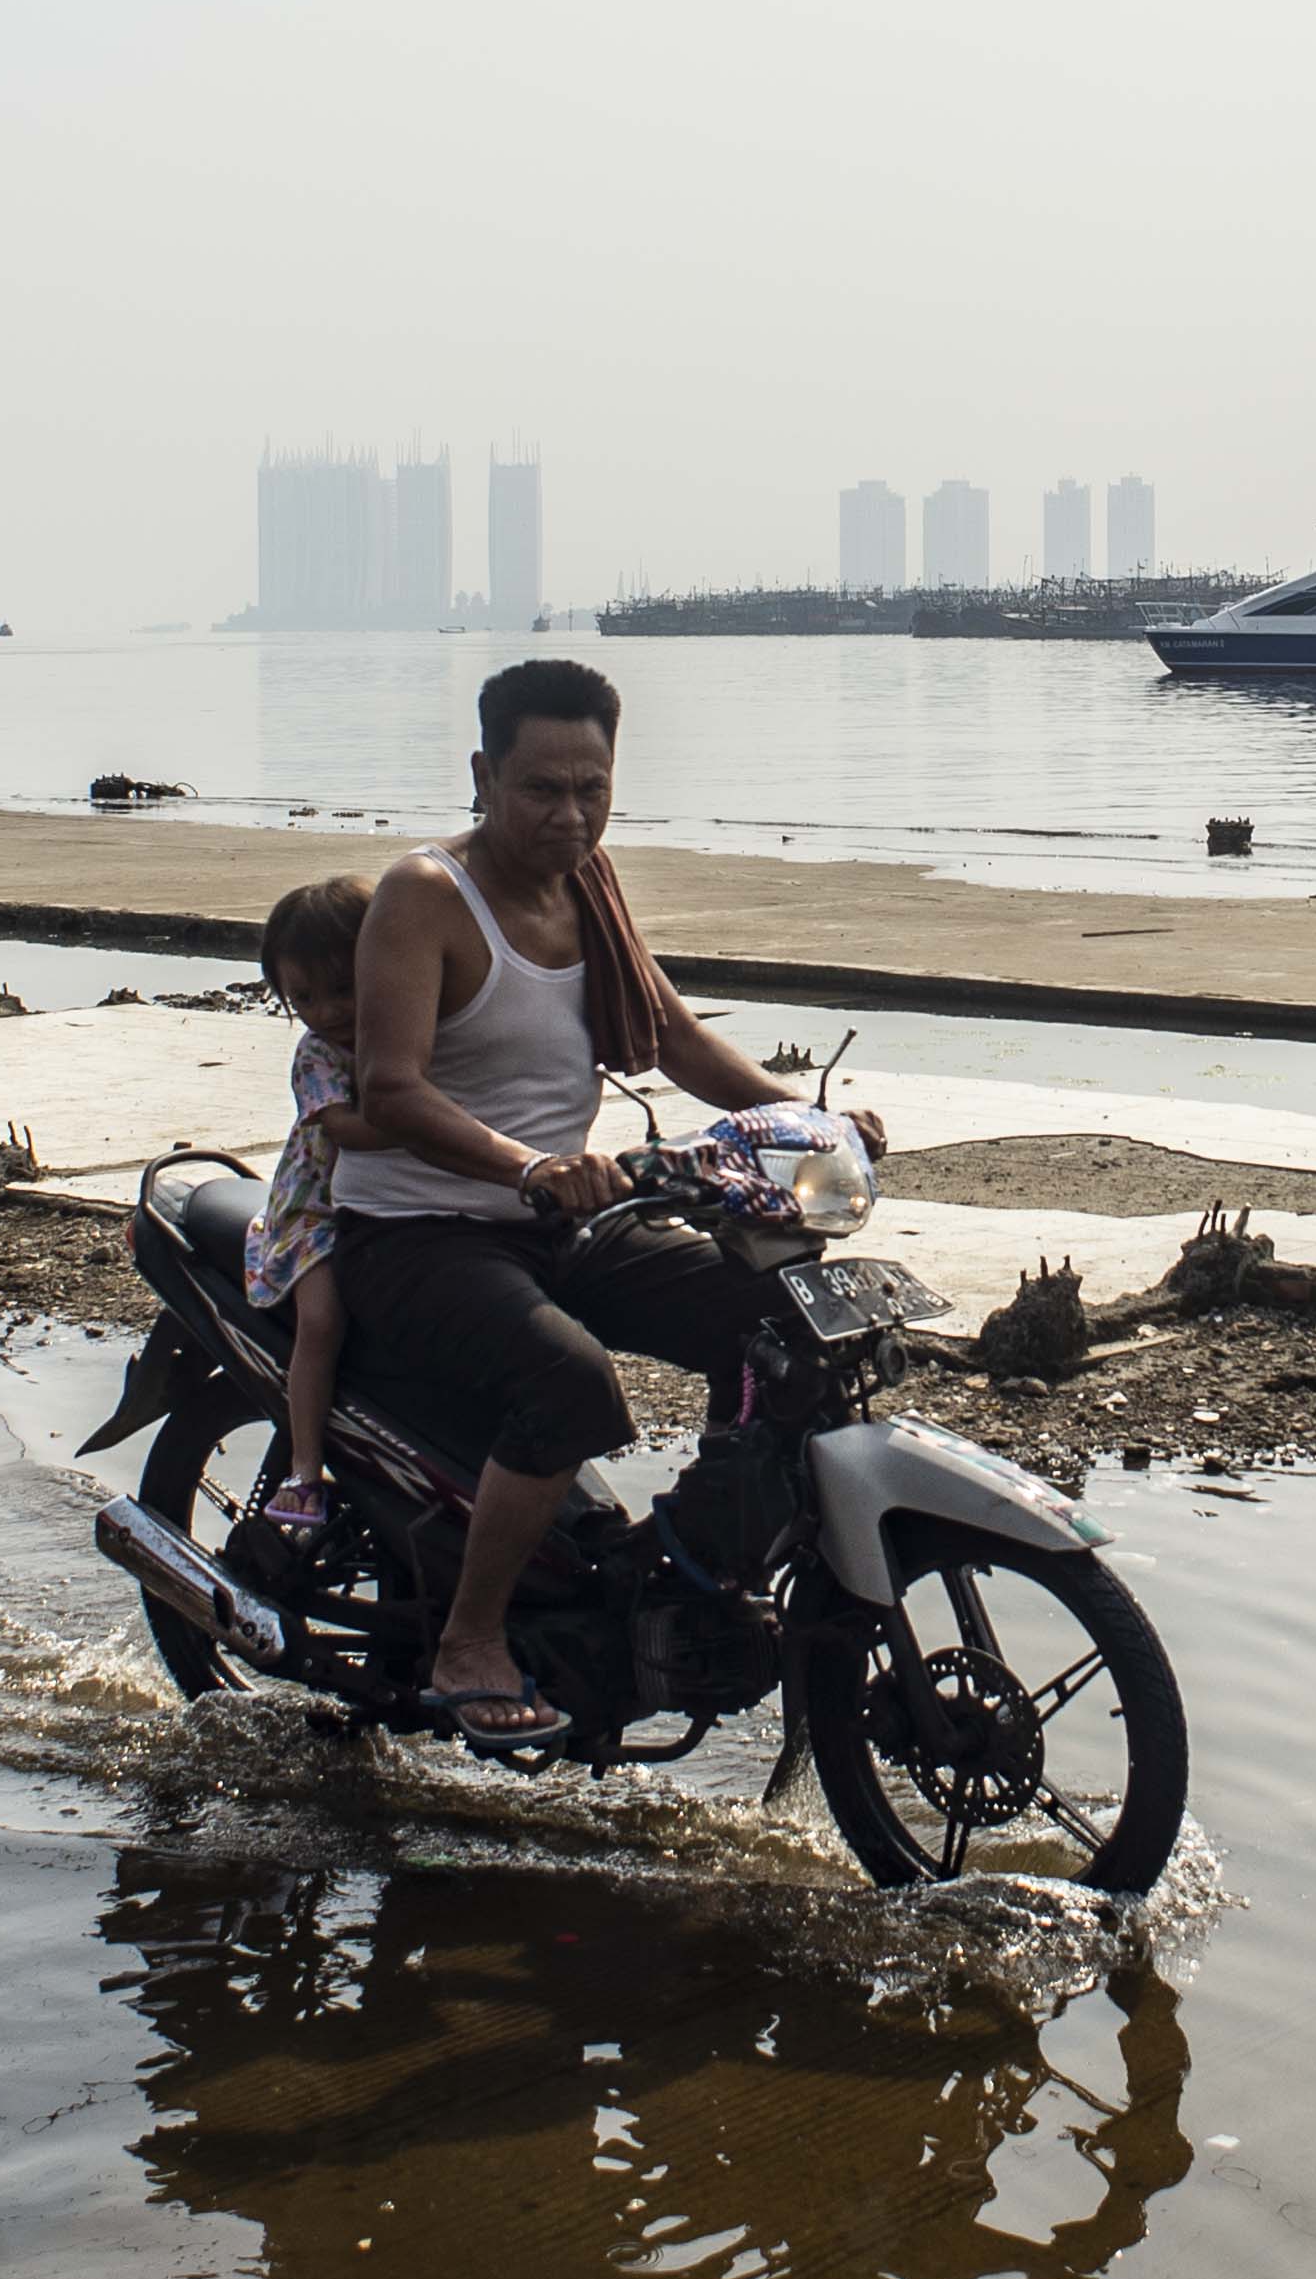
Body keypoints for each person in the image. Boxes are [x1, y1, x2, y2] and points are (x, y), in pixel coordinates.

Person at [335, 658, 885, 1747]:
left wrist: (813, 1120)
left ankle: (683, 1566)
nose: (570, 813)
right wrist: (527, 1164)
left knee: (786, 1317)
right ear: (485, 775)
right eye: (542, 788)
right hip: (414, 1232)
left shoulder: (589, 881)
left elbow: (674, 1037)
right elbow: (387, 1087)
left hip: (559, 1220)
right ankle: (469, 1639)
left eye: (592, 787)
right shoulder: (425, 896)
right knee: (573, 1384)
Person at [244, 874, 380, 1536]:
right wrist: (426, 1127)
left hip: (387, 1204)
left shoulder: (410, 1026)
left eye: (342, 989)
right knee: (322, 1321)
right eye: (303, 996)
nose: (325, 1009)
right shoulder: (318, 1054)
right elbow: (342, 1127)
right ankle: (305, 1470)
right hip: (316, 1211)